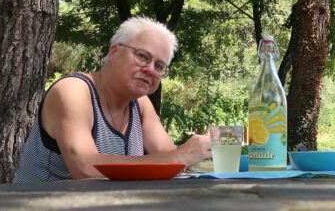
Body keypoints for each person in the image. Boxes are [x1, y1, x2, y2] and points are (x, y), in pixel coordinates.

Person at [14, 17, 212, 183]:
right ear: (114, 52)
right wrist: (180, 156)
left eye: (159, 66)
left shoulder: (140, 104)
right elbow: (85, 169)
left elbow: (170, 163)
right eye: (142, 56)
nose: (150, 69)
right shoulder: (74, 91)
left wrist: (199, 155)